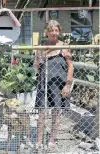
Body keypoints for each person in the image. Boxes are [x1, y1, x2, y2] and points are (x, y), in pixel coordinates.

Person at [33, 20, 74, 152]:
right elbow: (36, 67)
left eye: (56, 30)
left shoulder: (64, 47)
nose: (54, 33)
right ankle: (39, 141)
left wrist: (67, 85)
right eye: (51, 31)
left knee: (56, 113)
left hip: (58, 85)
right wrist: (39, 57)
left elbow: (71, 67)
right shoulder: (41, 47)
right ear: (47, 32)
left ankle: (51, 141)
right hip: (43, 84)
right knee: (41, 114)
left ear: (59, 31)